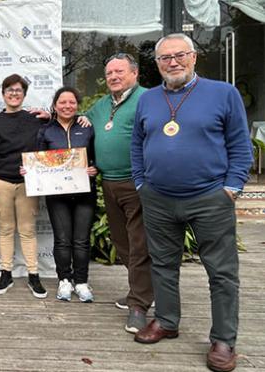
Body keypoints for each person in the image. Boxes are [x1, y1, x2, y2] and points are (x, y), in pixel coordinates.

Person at [131, 33, 252, 372]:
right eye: (165, 58)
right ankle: (167, 321)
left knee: (222, 273)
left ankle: (224, 340)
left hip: (210, 197)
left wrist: (231, 188)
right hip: (158, 198)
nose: (173, 62)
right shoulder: (148, 99)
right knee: (162, 264)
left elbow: (240, 145)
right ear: (156, 64)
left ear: (194, 57)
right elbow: (138, 144)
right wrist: (141, 181)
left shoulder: (223, 93)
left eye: (180, 55)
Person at [85, 53, 153, 333]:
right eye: (109, 73)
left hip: (138, 183)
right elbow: (77, 122)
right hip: (109, 184)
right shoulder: (102, 105)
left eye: (119, 72)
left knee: (139, 244)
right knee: (121, 241)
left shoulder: (149, 99)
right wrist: (50, 115)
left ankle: (139, 305)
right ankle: (143, 290)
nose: (113, 77)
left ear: (134, 74)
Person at [0, 73, 47, 298]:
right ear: (3, 94)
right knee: (6, 230)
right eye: (10, 90)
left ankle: (33, 275)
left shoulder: (36, 120)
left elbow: (63, 123)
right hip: (2, 184)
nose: (14, 94)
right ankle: (6, 273)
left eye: (18, 90)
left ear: (24, 94)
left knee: (27, 231)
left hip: (29, 185)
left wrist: (51, 114)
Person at [37, 86, 97, 303]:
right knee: (63, 240)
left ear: (77, 105)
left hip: (84, 192)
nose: (67, 106)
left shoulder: (87, 127)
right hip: (57, 195)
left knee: (81, 241)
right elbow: (38, 160)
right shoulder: (46, 130)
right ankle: (64, 280)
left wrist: (95, 168)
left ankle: (81, 282)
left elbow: (96, 157)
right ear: (55, 106)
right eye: (62, 102)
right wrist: (29, 171)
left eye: (72, 102)